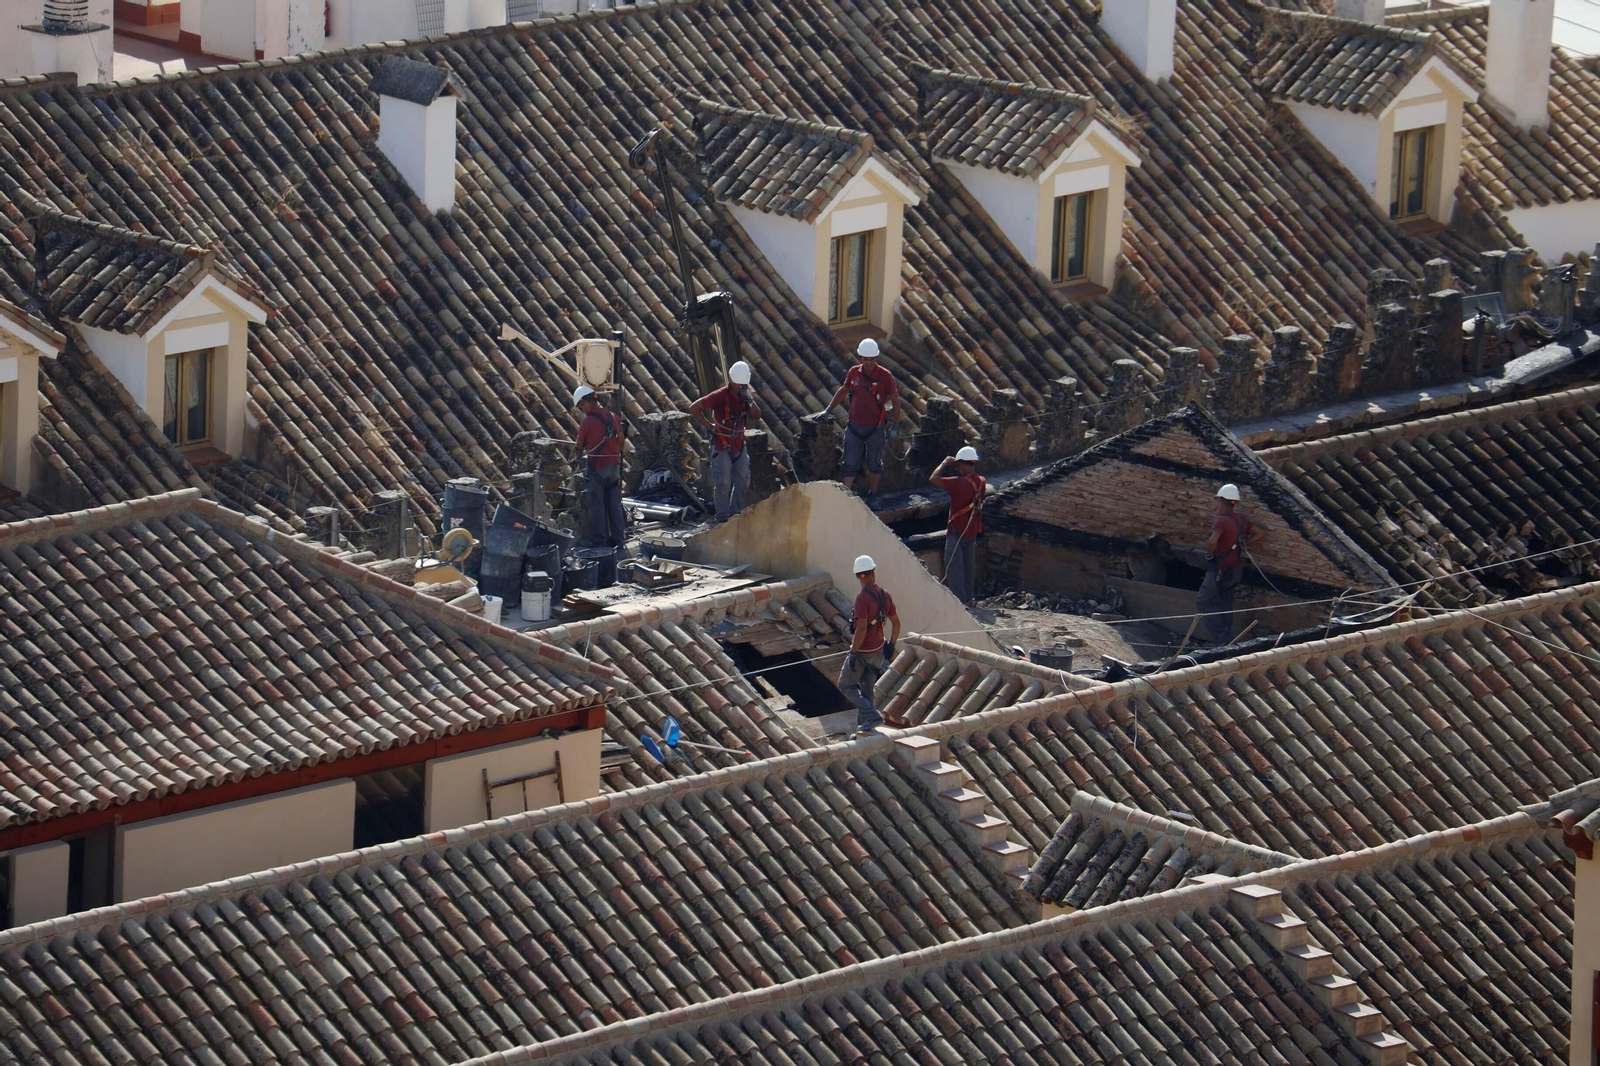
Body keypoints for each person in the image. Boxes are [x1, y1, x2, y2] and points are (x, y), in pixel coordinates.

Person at [822, 338, 900, 507]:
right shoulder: (854, 373)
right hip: (854, 427)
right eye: (866, 359)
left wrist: (895, 426)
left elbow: (895, 401)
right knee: (849, 463)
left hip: (875, 429)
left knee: (874, 464)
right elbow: (844, 390)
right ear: (860, 358)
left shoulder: (885, 376)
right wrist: (828, 409)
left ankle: (872, 494)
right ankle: (845, 498)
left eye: (872, 359)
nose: (869, 362)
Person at [688, 360, 760, 523]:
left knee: (742, 483)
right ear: (730, 379)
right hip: (722, 445)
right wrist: (709, 426)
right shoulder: (720, 395)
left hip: (739, 446)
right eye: (737, 383)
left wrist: (750, 400)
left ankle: (735, 517)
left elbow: (757, 415)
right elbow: (694, 407)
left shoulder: (745, 397)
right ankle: (722, 519)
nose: (740, 386)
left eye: (743, 383)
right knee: (722, 483)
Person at [1195, 483, 1268, 644]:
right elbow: (1261, 533)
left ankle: (1224, 638)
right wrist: (1245, 544)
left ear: (1221, 502)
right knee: (1225, 603)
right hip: (1235, 570)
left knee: (1203, 601)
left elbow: (1212, 541)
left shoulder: (1221, 520)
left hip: (1220, 570)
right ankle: (1226, 641)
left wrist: (1209, 555)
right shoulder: (1241, 521)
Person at [838, 554, 901, 737]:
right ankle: (862, 730)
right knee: (866, 690)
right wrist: (892, 643)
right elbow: (896, 623)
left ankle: (873, 717)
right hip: (879, 652)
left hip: (863, 652)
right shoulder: (884, 595)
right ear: (873, 572)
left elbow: (861, 630)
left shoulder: (862, 599)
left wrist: (853, 652)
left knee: (845, 686)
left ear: (858, 576)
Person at [572, 384, 626, 551]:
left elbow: (579, 445)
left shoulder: (587, 422)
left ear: (587, 402)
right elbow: (622, 440)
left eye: (582, 406)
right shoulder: (612, 416)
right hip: (614, 466)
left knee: (597, 506)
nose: (582, 410)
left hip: (597, 468)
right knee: (614, 504)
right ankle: (618, 540)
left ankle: (598, 540)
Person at [929, 446, 985, 603]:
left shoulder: (958, 483)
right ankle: (969, 598)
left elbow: (933, 478)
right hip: (972, 529)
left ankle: (959, 602)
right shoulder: (981, 482)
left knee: (954, 567)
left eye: (959, 465)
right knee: (969, 566)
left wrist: (945, 463)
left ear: (962, 464)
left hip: (957, 530)